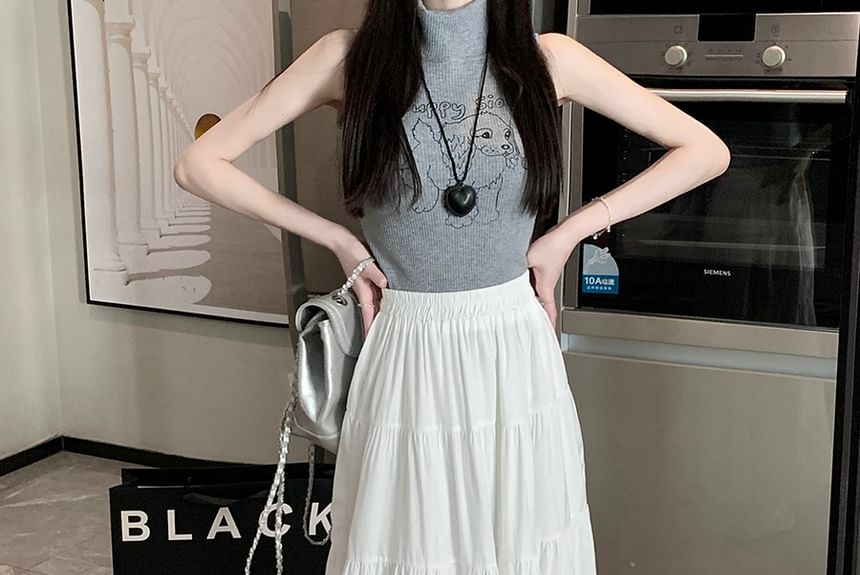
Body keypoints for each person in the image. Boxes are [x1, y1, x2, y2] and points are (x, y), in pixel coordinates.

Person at [173, 0, 731, 572]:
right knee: (410, 547)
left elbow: (705, 152)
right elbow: (199, 165)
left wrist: (569, 234)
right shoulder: (347, 58)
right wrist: (338, 240)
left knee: (519, 543)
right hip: (405, 349)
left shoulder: (549, 60)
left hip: (511, 350)